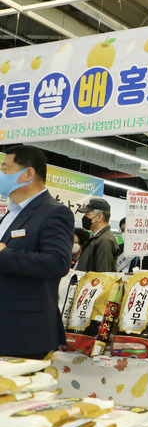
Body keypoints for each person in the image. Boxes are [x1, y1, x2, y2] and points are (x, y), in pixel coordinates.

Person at [0, 145, 74, 359]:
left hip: (24, 331)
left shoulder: (54, 212)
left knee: (22, 391)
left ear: (28, 173)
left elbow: (57, 262)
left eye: (5, 169)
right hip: (6, 325)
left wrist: (4, 254)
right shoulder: (11, 213)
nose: (1, 175)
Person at [75, 198, 118, 273]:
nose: (84, 217)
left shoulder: (105, 240)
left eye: (87, 214)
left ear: (99, 217)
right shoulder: (96, 238)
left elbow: (102, 275)